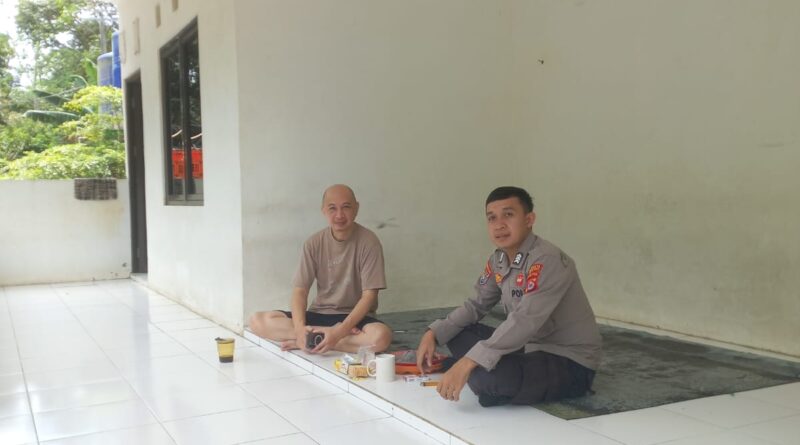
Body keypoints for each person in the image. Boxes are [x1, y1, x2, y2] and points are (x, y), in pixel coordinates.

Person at [416, 186, 602, 407]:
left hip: (568, 361)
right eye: (492, 218)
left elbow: (525, 320)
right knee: (457, 332)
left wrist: (468, 361)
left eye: (508, 215)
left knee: (489, 378)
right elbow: (476, 305)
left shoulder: (547, 259)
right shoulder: (499, 260)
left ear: (529, 219)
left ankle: (486, 379)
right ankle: (487, 378)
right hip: (527, 348)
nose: (499, 225)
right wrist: (433, 334)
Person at [249, 184, 393, 354]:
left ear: (356, 208)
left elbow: (369, 296)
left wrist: (339, 331)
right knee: (257, 321)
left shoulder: (369, 242)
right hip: (320, 313)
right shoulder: (314, 243)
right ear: (323, 210)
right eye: (332, 208)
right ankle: (314, 338)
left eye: (346, 207)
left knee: (381, 337)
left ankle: (316, 340)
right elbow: (300, 291)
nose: (339, 215)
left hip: (354, 318)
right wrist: (300, 329)